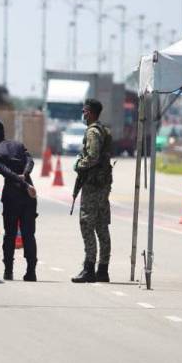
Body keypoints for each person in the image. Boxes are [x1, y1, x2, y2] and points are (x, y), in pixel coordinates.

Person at [0, 119, 38, 281]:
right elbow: (30, 161)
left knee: (10, 234)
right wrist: (25, 177)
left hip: (11, 196)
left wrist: (20, 179)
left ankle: (8, 271)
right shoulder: (18, 145)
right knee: (29, 234)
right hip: (29, 194)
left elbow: (6, 172)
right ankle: (31, 272)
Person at [72, 99, 113, 283]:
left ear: (91, 113)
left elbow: (93, 157)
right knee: (101, 226)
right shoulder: (102, 130)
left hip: (94, 186)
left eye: (85, 111)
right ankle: (102, 270)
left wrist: (79, 164)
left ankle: (90, 268)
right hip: (102, 185)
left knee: (87, 223)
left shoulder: (93, 132)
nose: (83, 114)